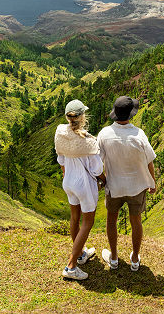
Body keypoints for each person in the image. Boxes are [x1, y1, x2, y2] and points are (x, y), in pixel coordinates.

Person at [97, 96, 156, 272]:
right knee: (136, 221)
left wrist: (104, 179)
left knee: (111, 220)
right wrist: (152, 182)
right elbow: (149, 162)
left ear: (115, 114)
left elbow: (96, 162)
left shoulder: (104, 134)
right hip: (136, 186)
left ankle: (114, 258)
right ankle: (135, 259)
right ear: (131, 114)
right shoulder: (139, 134)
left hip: (114, 186)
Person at [55, 99, 105, 280]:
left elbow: (61, 161)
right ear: (82, 117)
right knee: (87, 223)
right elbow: (97, 169)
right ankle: (71, 265)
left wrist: (67, 176)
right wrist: (104, 180)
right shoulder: (88, 141)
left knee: (74, 218)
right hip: (84, 185)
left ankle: (81, 254)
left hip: (68, 181)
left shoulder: (60, 133)